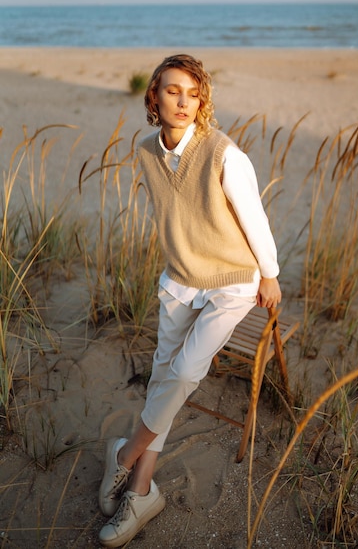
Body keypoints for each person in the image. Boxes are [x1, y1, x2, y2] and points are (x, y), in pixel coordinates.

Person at [98, 53, 282, 547]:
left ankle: (124, 456)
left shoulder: (223, 153)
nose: (183, 101)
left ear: (202, 101)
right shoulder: (145, 149)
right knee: (163, 376)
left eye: (193, 93)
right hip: (180, 278)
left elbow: (254, 218)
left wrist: (270, 273)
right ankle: (142, 492)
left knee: (181, 373)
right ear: (153, 95)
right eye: (173, 90)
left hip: (231, 280)